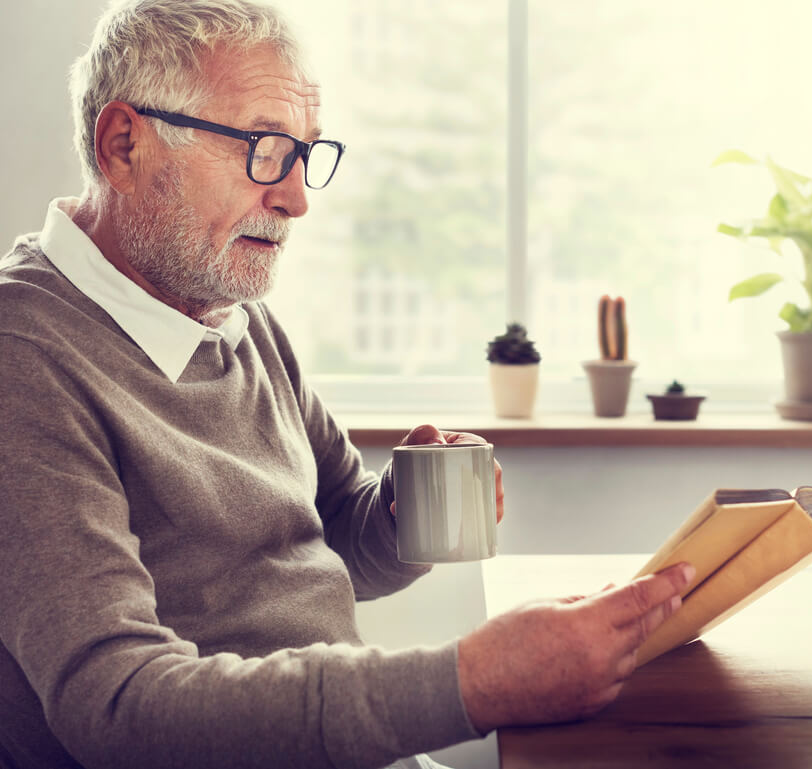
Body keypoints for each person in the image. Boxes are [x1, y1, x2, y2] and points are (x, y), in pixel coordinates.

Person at [0, 1, 695, 768]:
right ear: (124, 144)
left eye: (305, 154)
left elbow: (329, 540)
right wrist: (472, 682)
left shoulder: (228, 312)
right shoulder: (22, 357)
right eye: (263, 149)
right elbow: (118, 707)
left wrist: (400, 513)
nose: (296, 197)